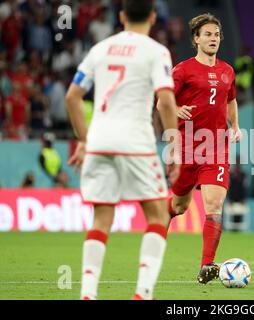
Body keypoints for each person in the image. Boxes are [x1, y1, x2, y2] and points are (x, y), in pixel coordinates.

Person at [65, 0, 179, 300]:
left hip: (100, 141)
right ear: (153, 17)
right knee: (157, 216)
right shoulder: (156, 52)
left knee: (101, 219)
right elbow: (166, 101)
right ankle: (142, 293)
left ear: (121, 16)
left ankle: (88, 294)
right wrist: (174, 145)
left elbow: (72, 97)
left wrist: (85, 140)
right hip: (135, 142)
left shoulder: (99, 49)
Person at [157, 13, 242, 284]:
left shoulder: (228, 71)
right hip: (187, 148)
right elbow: (162, 102)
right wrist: (176, 110)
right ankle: (155, 240)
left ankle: (207, 265)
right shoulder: (182, 70)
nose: (213, 38)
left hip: (217, 148)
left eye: (216, 34)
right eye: (207, 34)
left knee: (214, 205)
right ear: (196, 39)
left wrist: (236, 125)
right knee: (178, 207)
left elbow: (231, 100)